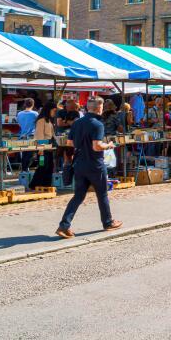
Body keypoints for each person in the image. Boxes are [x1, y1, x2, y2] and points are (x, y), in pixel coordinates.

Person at [56, 97, 122, 238]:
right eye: (102, 107)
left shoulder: (77, 123)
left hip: (79, 163)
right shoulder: (97, 124)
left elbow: (69, 143)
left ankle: (64, 226)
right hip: (95, 164)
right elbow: (97, 146)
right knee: (102, 194)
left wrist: (82, 145)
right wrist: (109, 145)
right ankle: (108, 222)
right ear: (99, 108)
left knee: (78, 196)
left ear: (87, 108)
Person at [28, 101, 57, 190]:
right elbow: (39, 136)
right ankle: (34, 184)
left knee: (49, 167)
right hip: (43, 149)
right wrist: (41, 149)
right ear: (49, 110)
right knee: (42, 166)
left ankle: (46, 185)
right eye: (54, 110)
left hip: (49, 148)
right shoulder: (41, 121)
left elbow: (52, 135)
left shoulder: (49, 120)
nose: (55, 113)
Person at [16, 99, 38, 174]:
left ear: (25, 104)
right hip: (31, 137)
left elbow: (18, 124)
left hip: (21, 137)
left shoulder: (19, 114)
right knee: (30, 155)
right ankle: (25, 170)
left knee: (25, 154)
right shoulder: (35, 114)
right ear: (33, 105)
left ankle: (24, 170)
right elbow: (38, 124)